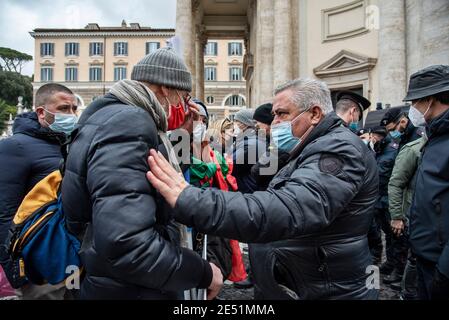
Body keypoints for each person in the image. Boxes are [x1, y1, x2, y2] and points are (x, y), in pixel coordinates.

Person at [146, 78, 379, 300]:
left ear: (315, 114)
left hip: (325, 288)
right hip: (298, 281)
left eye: (282, 114)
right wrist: (280, 152)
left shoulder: (338, 149)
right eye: (274, 115)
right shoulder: (306, 145)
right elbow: (260, 176)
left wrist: (190, 199)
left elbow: (288, 209)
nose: (275, 122)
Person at [61, 47, 222, 300]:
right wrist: (201, 271)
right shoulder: (130, 121)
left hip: (110, 280)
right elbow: (125, 243)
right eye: (184, 97)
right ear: (166, 89)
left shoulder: (104, 116)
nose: (183, 106)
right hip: (133, 288)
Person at [0, 83, 77, 300]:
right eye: (64, 108)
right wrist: (17, 271)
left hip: (69, 257)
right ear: (42, 112)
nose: (71, 114)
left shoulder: (69, 146)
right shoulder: (15, 147)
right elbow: (3, 211)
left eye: (73, 109)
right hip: (36, 264)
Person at [405, 64, 449, 300]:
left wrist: (445, 269)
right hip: (425, 255)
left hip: (441, 265)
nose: (412, 109)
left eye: (415, 102)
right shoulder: (435, 135)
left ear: (431, 99)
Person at [373, 108, 424, 282]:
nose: (392, 133)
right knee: (389, 234)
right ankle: (392, 263)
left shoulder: (414, 138)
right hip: (384, 198)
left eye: (393, 129)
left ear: (402, 121)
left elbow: (402, 176)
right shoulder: (397, 142)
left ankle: (400, 272)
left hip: (399, 199)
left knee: (399, 237)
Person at [388, 136, 426, 298]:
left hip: (435, 215)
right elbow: (396, 183)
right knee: (415, 257)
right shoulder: (414, 149)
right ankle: (407, 293)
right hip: (416, 215)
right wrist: (397, 216)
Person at [232, 109, 261, 194]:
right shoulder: (245, 140)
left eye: (236, 121)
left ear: (245, 123)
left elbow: (230, 165)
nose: (234, 124)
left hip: (247, 189)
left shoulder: (251, 144)